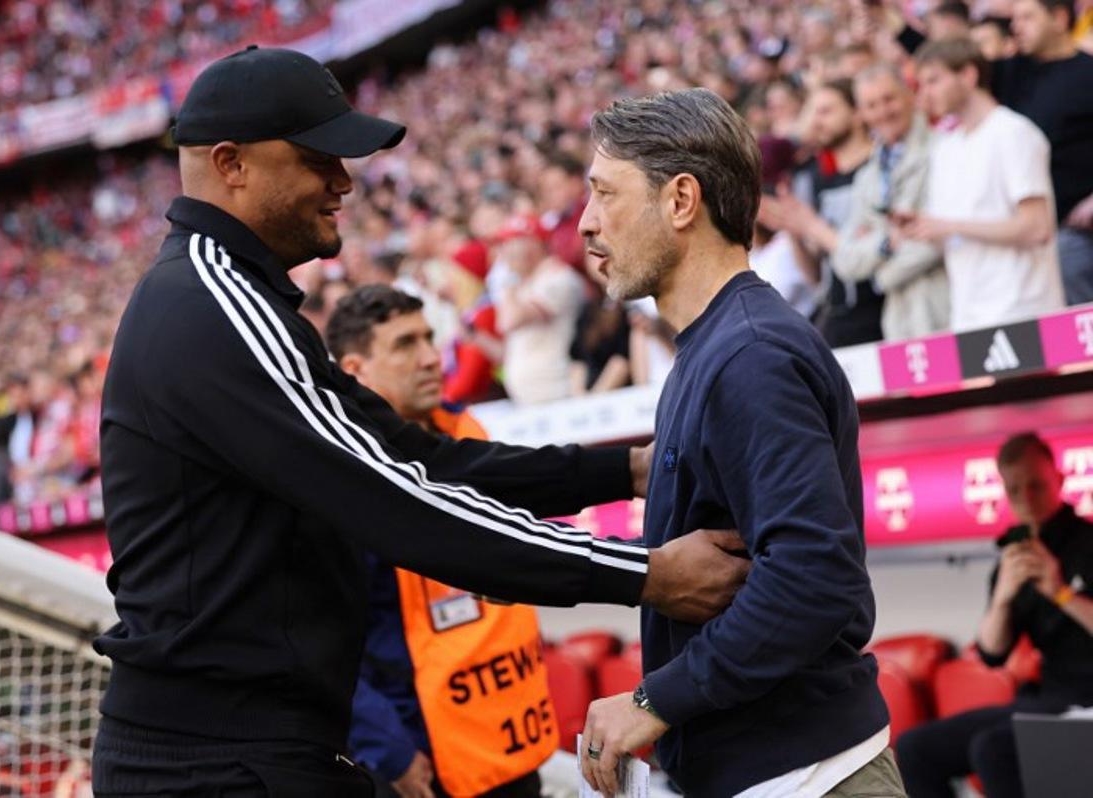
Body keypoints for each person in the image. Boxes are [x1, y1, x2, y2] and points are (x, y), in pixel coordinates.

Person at [91, 47, 748, 797]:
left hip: (251, 749)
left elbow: (424, 457)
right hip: (216, 764)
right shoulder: (215, 306)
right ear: (231, 164)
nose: (343, 181)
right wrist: (645, 572)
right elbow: (399, 499)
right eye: (317, 158)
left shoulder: (231, 298)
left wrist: (621, 469)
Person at [576, 89, 904, 798]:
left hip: (808, 776)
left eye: (604, 194)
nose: (587, 224)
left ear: (681, 200)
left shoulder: (749, 354)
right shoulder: (712, 346)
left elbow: (814, 576)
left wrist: (654, 700)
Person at [327, 285, 553, 798]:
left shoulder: (466, 434)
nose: (432, 358)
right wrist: (389, 751)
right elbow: (318, 637)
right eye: (406, 345)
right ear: (356, 369)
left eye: (430, 338)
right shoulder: (338, 477)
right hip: (418, 766)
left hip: (511, 746)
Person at [896, 432, 1093, 798]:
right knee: (913, 750)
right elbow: (991, 653)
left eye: (1036, 485)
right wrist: (1003, 596)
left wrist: (1059, 591)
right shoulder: (1015, 558)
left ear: (1060, 481)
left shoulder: (1088, 542)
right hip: (1047, 701)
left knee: (994, 749)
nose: (1027, 499)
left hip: (1087, 702)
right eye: (1015, 490)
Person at [903, 37, 1065, 332]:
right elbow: (948, 231)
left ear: (968, 74)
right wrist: (920, 229)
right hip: (967, 315)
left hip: (1022, 309)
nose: (925, 94)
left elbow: (1037, 228)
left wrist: (950, 226)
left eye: (934, 80)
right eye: (921, 84)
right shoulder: (945, 148)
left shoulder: (1013, 132)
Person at [830, 64, 949, 341]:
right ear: (861, 114)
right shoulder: (866, 176)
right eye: (872, 105)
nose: (883, 112)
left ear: (910, 95)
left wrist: (882, 275)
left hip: (947, 307)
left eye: (889, 99)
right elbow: (845, 260)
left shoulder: (943, 149)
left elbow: (937, 237)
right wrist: (885, 243)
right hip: (899, 325)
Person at [765, 79, 882, 346]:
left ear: (856, 113)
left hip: (882, 309)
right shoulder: (813, 179)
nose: (817, 122)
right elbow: (815, 275)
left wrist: (813, 226)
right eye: (813, 112)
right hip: (839, 316)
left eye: (826, 111)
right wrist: (794, 231)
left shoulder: (880, 165)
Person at [997, 0, 1093, 303]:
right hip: (1042, 235)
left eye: (1027, 17)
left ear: (1059, 18)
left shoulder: (1088, 72)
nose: (1016, 26)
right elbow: (953, 65)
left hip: (1080, 226)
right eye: (1014, 18)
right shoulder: (1009, 75)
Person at [493, 214, 586, 405]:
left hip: (555, 390)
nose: (506, 252)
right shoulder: (526, 282)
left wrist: (506, 282)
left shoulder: (558, 276)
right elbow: (502, 326)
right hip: (529, 395)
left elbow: (510, 320)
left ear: (534, 244)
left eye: (513, 242)